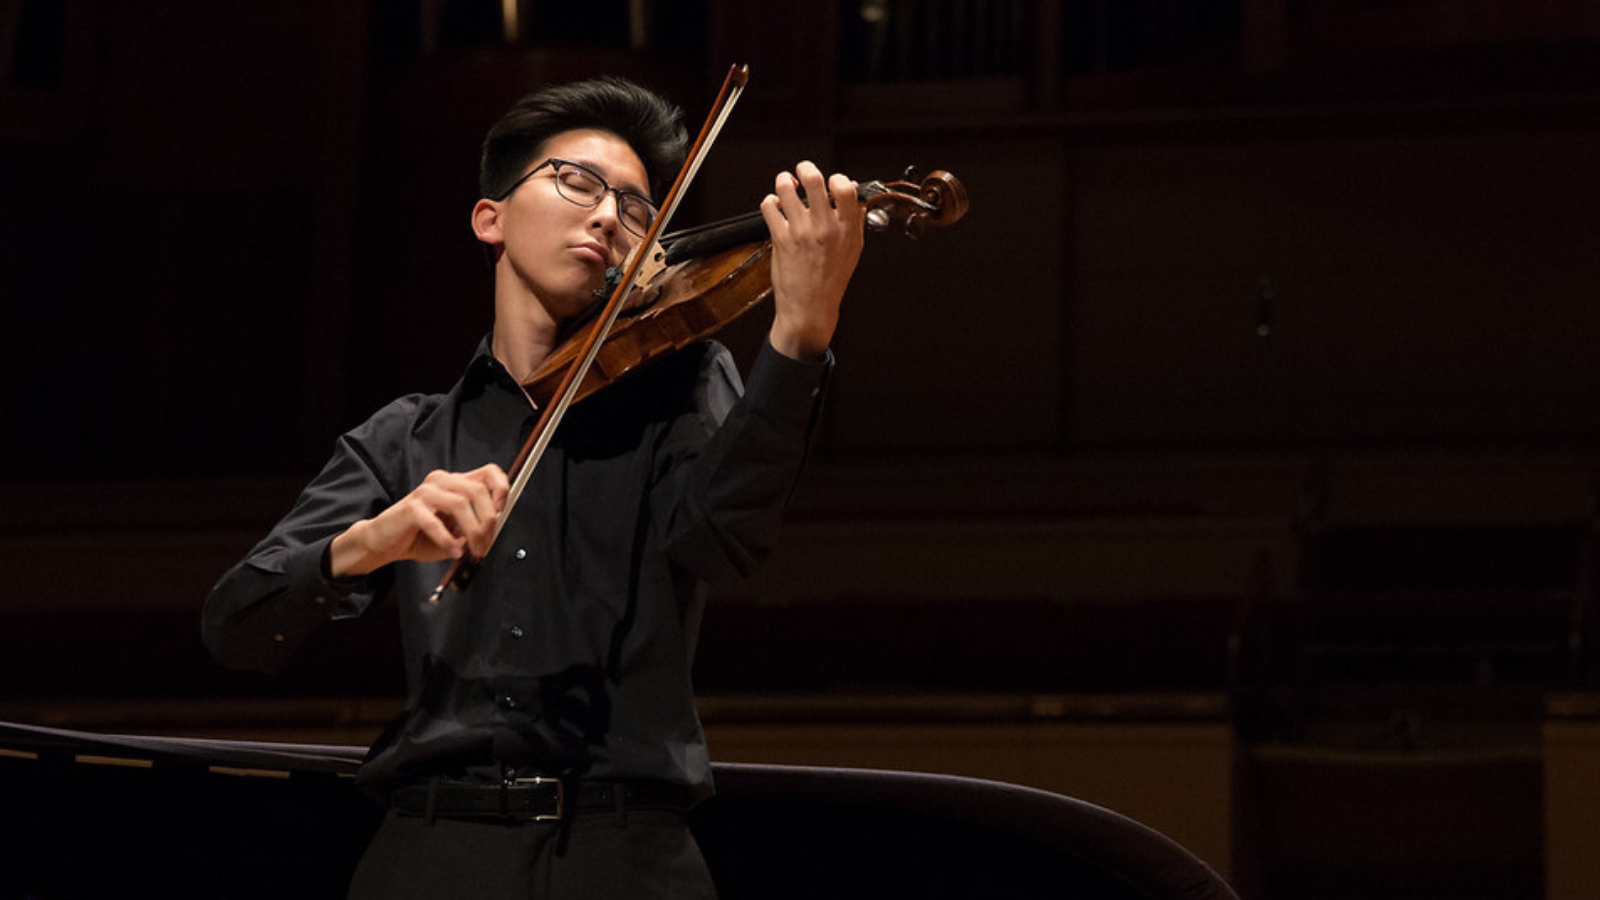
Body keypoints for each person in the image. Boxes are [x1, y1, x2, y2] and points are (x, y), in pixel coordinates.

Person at [201, 76, 864, 899]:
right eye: (576, 182)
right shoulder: (405, 439)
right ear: (492, 217)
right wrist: (373, 541)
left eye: (634, 207)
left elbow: (724, 540)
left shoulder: (684, 387)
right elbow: (236, 627)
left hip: (628, 855)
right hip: (432, 851)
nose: (606, 216)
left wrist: (799, 336)